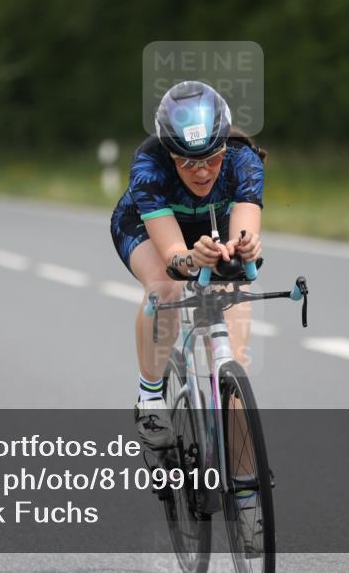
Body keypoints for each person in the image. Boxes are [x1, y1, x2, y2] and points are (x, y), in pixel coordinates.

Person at [110, 81, 266, 449]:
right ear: (169, 152)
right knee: (166, 286)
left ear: (225, 146)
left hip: (212, 222)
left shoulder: (244, 159)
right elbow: (174, 257)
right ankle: (149, 396)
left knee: (234, 356)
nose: (202, 172)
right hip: (148, 227)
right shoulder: (149, 164)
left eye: (212, 158)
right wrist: (190, 259)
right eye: (188, 162)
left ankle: (245, 496)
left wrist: (244, 248)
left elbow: (244, 232)